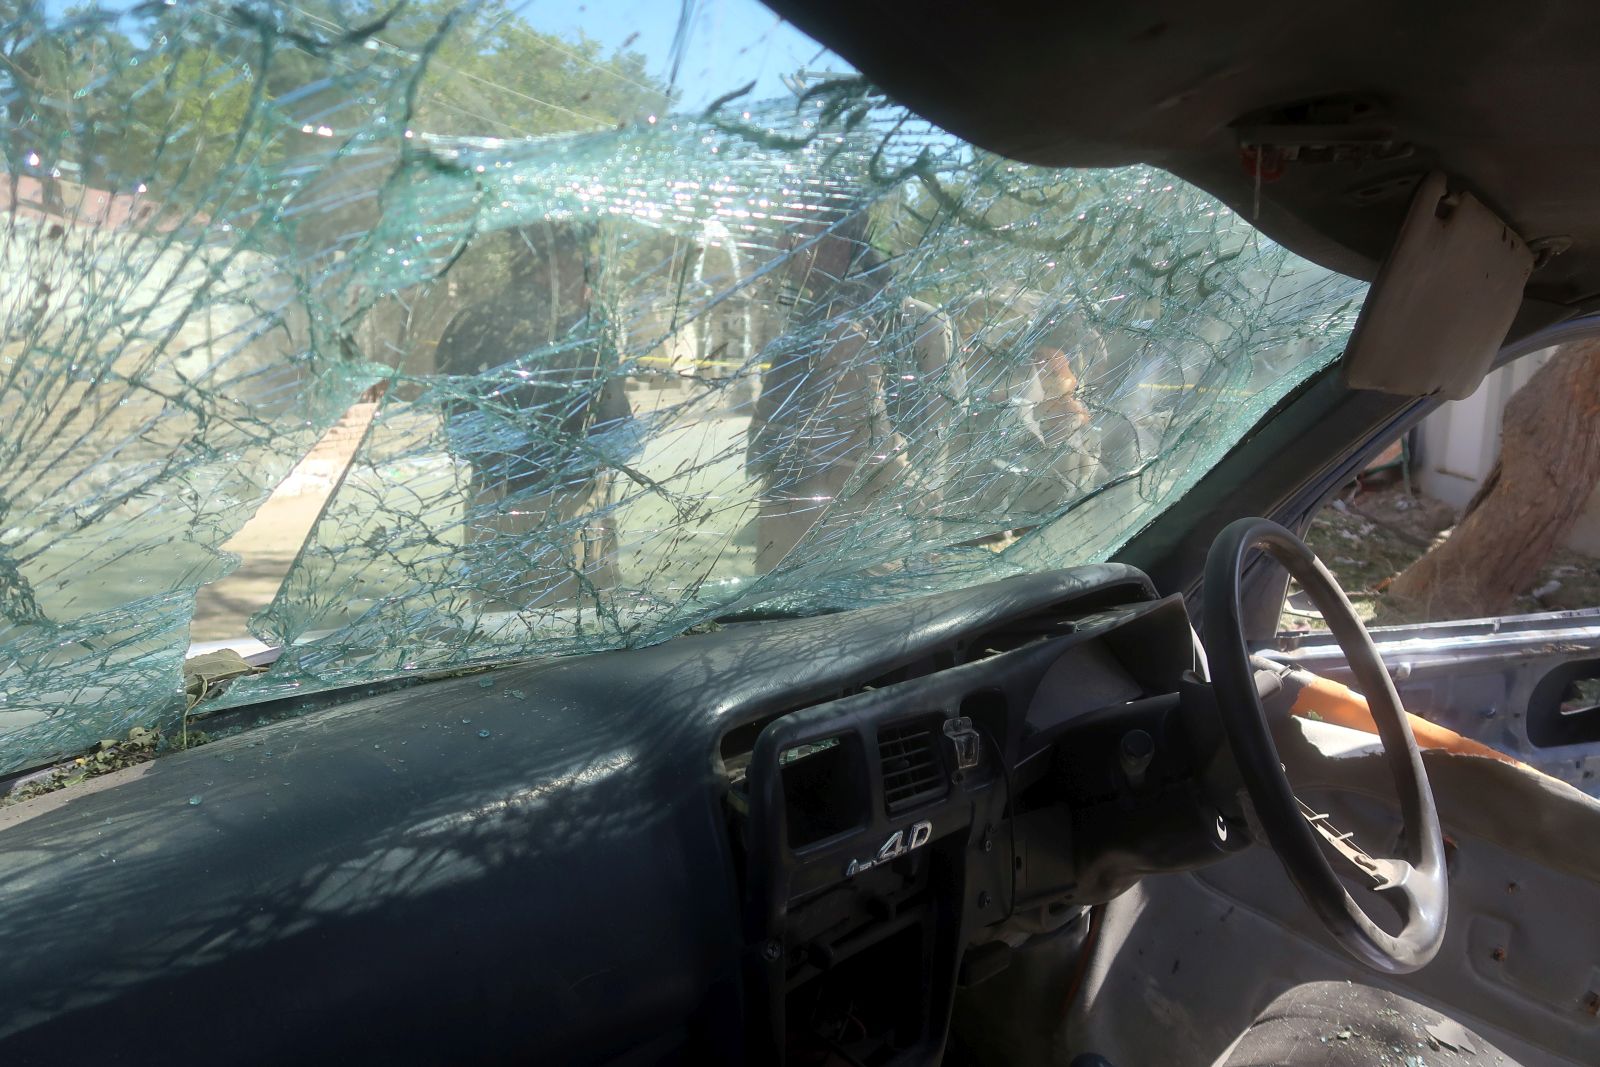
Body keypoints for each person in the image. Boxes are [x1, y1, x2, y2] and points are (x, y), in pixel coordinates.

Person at [746, 202, 960, 572]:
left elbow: (928, 439)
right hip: (813, 523)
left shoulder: (883, 322)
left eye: (799, 235)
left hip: (856, 533)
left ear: (837, 244)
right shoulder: (811, 324)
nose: (785, 247)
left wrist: (925, 521)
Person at [435, 220, 631, 608]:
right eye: (581, 260)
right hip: (565, 502)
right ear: (554, 264)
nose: (589, 269)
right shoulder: (577, 330)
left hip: (490, 499)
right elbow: (615, 426)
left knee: (495, 629)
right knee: (567, 630)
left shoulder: (471, 321)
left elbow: (457, 424)